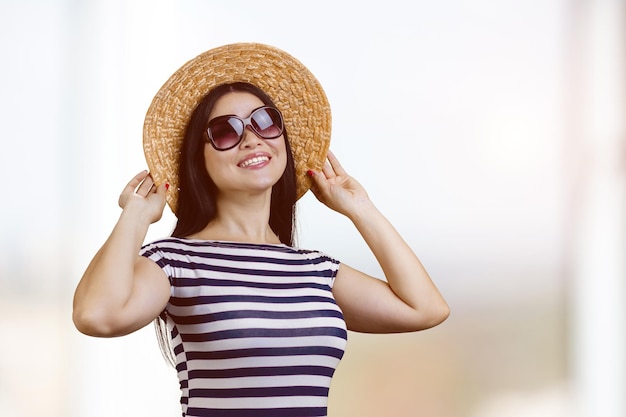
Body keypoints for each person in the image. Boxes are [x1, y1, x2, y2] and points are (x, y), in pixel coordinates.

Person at [73, 43, 449, 417]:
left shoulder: (315, 270)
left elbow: (425, 309)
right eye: (225, 131)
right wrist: (135, 217)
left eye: (264, 121)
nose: (252, 138)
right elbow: (97, 316)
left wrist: (361, 209)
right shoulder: (174, 262)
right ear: (197, 160)